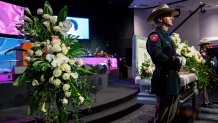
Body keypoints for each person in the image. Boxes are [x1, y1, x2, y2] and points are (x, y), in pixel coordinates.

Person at [146, 4, 186, 123]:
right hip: (164, 79)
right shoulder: (155, 35)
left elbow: (169, 54)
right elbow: (157, 55)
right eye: (169, 15)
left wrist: (179, 58)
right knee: (163, 115)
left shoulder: (166, 36)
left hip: (171, 78)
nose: (172, 18)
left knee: (170, 115)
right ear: (160, 19)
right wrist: (176, 60)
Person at [198, 39, 214, 108]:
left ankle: (206, 101)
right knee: (204, 88)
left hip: (206, 71)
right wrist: (209, 62)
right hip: (204, 71)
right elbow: (203, 61)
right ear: (204, 45)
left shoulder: (205, 52)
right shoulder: (202, 51)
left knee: (206, 88)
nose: (208, 45)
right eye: (207, 44)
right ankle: (205, 102)